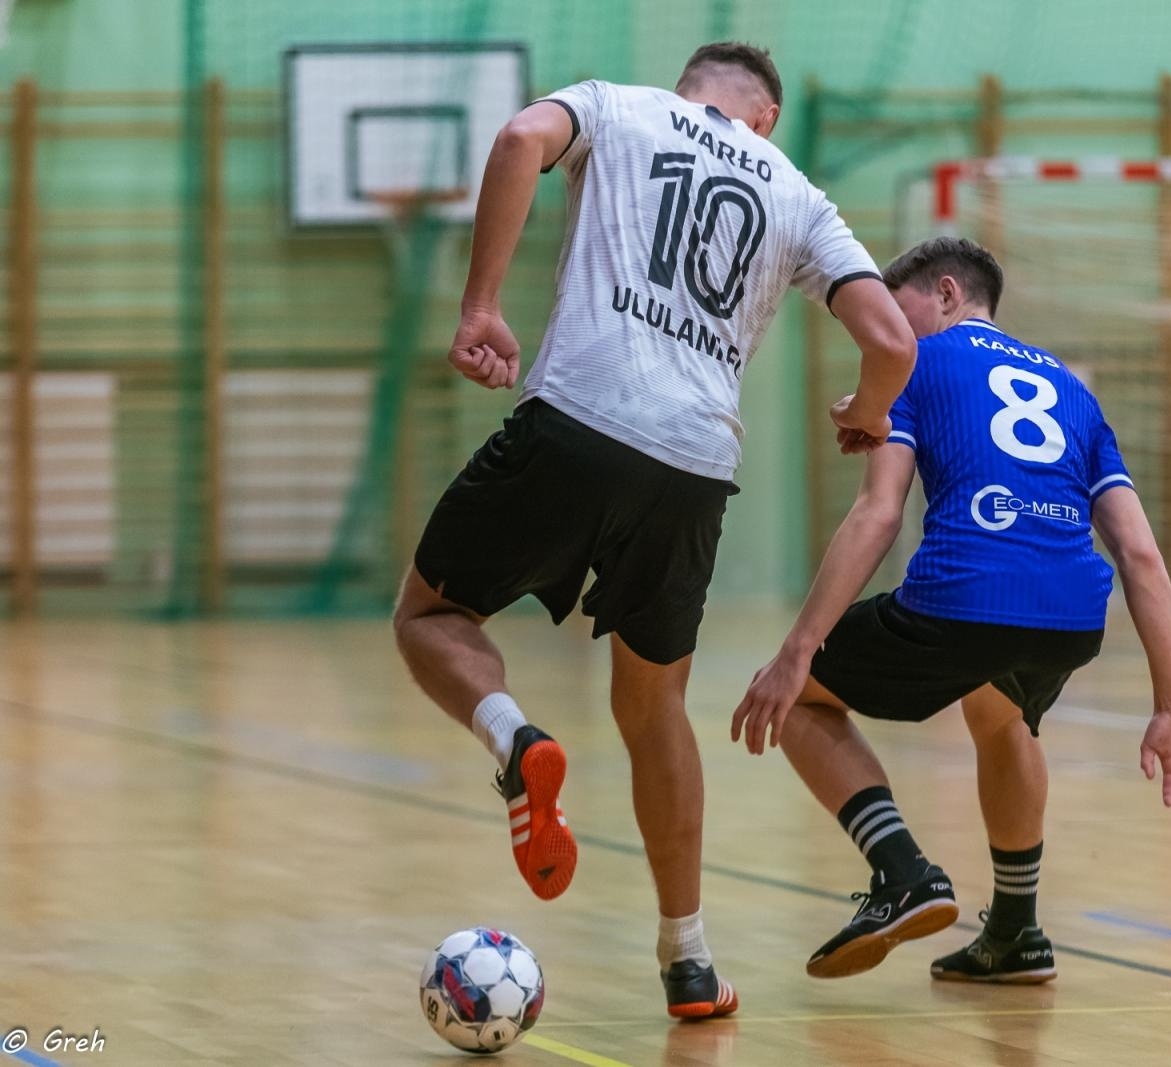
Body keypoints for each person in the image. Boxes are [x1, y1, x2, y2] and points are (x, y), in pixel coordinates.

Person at [392, 42, 916, 1018]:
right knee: (652, 708)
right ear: (764, 117)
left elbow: (517, 139)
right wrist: (869, 415)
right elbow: (890, 339)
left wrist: (480, 306)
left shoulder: (615, 107)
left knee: (429, 614)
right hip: (692, 466)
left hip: (576, 421)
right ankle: (687, 957)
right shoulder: (797, 193)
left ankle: (512, 736)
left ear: (691, 91)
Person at [731, 237, 1171, 983]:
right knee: (1000, 712)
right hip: (1071, 616)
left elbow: (877, 514)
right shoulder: (1073, 390)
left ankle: (901, 871)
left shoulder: (912, 363)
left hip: (964, 592)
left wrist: (798, 649)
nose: (891, 337)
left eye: (901, 316)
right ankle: (1015, 932)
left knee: (798, 696)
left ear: (949, 294)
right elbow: (1140, 554)